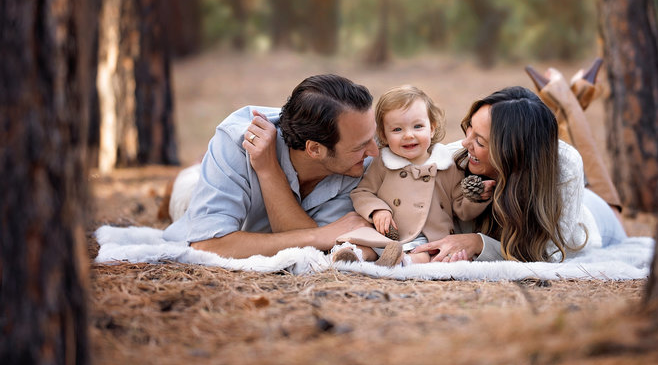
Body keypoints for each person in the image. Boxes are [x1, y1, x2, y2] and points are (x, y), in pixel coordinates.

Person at [412, 73, 627, 263]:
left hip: (596, 219)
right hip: (537, 160)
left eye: (480, 141)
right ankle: (561, 102)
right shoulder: (454, 157)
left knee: (613, 207)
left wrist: (479, 243)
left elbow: (549, 254)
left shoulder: (565, 165)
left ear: (511, 154)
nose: (465, 143)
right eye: (469, 128)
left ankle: (569, 103)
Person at [162, 74, 379, 259]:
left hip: (256, 220)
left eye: (372, 137)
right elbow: (207, 244)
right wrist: (319, 235)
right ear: (314, 149)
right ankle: (193, 170)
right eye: (361, 146)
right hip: (194, 200)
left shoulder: (358, 163)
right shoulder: (237, 138)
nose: (375, 151)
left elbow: (315, 248)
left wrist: (269, 172)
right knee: (187, 186)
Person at [332, 86, 493, 265]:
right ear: (383, 135)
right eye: (397, 130)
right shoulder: (383, 163)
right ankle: (352, 255)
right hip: (387, 233)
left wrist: (476, 197)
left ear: (431, 129)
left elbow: (461, 209)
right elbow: (362, 192)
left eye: (418, 126)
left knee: (424, 254)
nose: (408, 135)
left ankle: (401, 261)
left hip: (427, 236)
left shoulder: (446, 165)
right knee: (365, 242)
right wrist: (378, 210)